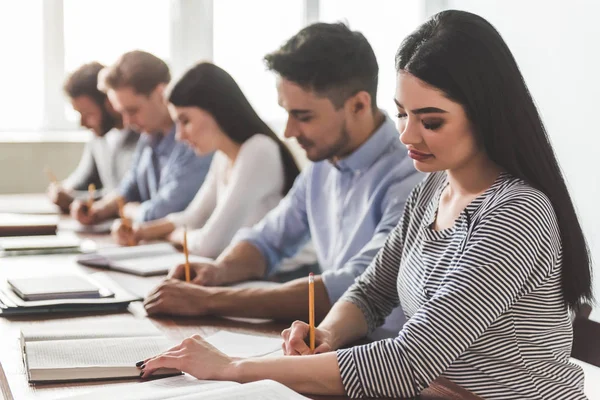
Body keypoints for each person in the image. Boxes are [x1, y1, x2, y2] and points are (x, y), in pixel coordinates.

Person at [140, 11, 591, 400]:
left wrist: (235, 368)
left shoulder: (517, 213)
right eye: (401, 114)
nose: (407, 136)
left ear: (486, 115)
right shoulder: (431, 192)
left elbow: (408, 361)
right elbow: (371, 291)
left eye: (430, 121)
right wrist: (329, 333)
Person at [143, 22, 423, 340]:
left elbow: (357, 283)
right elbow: (269, 239)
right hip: (333, 342)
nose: (288, 132)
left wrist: (208, 301)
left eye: (303, 116)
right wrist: (217, 272)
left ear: (358, 105)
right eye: (286, 113)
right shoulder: (323, 164)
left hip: (387, 358)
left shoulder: (411, 173)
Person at [112, 62, 300, 258]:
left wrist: (176, 235)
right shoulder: (223, 156)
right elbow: (193, 217)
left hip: (285, 277)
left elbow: (209, 245)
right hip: (248, 274)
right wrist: (141, 231)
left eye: (185, 121)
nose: (179, 136)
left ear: (216, 110)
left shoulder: (258, 151)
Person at [70, 51, 213, 225]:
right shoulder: (149, 136)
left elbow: (164, 212)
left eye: (132, 111)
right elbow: (129, 188)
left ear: (161, 94)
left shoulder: (194, 140)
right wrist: (99, 209)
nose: (127, 122)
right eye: (121, 112)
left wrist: (127, 209)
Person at [47, 62, 138, 213]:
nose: (83, 124)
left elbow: (127, 194)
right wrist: (63, 190)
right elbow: (82, 179)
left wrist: (76, 199)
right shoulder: (98, 138)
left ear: (110, 103)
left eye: (88, 114)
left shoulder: (142, 138)